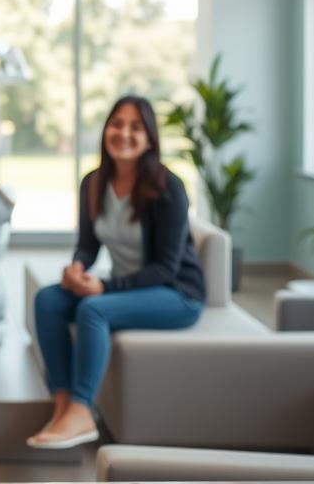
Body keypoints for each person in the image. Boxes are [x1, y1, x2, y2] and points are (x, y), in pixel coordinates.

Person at [27, 94, 206, 449]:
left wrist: (105, 287)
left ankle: (81, 409)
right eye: (116, 124)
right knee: (48, 299)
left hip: (176, 293)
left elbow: (166, 268)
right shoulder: (93, 183)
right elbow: (88, 244)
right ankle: (63, 403)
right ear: (106, 129)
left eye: (136, 127)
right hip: (131, 288)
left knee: (92, 309)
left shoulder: (168, 187)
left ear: (150, 137)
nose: (124, 133)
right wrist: (77, 268)